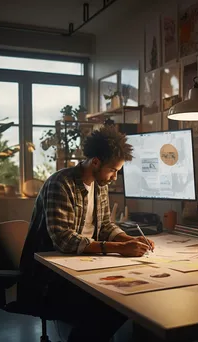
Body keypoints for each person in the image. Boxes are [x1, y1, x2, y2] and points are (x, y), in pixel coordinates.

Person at [19, 125, 155, 342]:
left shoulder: (100, 184)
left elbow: (105, 226)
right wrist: (120, 249)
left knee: (131, 295)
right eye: (113, 170)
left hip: (81, 267)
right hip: (49, 278)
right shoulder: (60, 184)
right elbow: (64, 240)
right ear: (95, 162)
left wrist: (128, 239)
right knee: (114, 305)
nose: (115, 177)